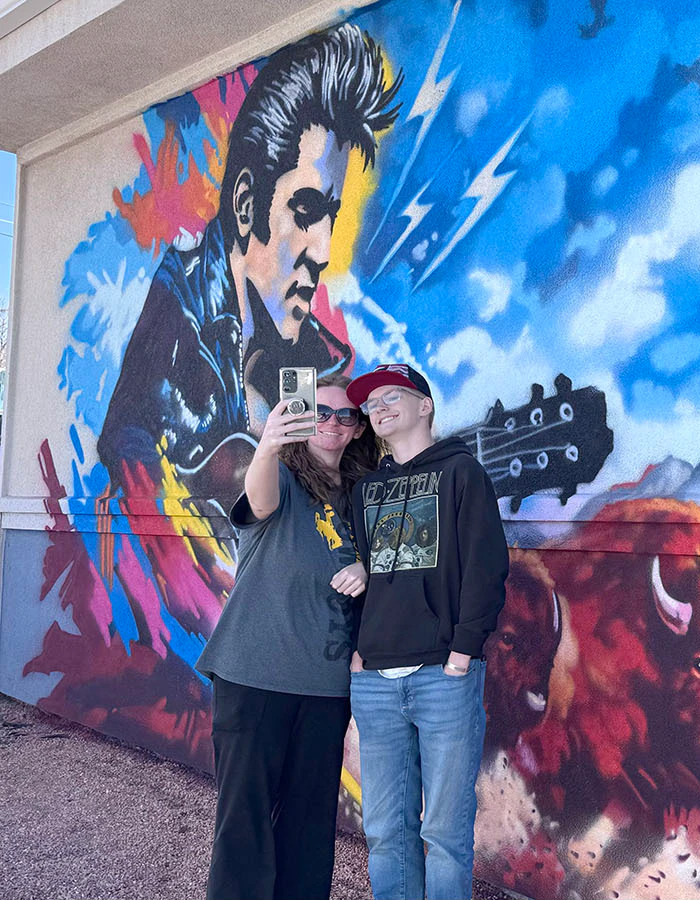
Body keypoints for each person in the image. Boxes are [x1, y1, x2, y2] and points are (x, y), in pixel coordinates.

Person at [98, 23, 400, 492]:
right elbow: (132, 480)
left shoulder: (305, 356)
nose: (321, 252)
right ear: (244, 207)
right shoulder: (180, 312)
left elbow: (306, 484)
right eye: (305, 211)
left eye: (330, 219)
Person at [196, 374, 380, 900]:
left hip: (326, 689)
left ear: (357, 428)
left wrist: (369, 567)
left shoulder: (365, 500)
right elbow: (260, 498)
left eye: (345, 416)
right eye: (319, 411)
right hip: (255, 677)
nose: (332, 423)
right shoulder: (281, 477)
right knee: (245, 826)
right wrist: (269, 443)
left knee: (308, 830)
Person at [346, 363, 510, 900]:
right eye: (372, 404)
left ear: (425, 406)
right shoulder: (365, 491)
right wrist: (357, 653)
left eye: (395, 395)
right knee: (386, 831)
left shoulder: (462, 474)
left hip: (443, 674)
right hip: (374, 680)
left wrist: (462, 653)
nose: (381, 407)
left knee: (444, 834)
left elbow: (486, 567)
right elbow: (367, 572)